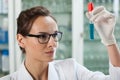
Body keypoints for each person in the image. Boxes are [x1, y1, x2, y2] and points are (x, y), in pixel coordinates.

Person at [0, 5, 120, 80]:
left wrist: (109, 40)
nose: (53, 44)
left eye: (55, 35)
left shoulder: (71, 70)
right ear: (21, 40)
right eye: (42, 36)